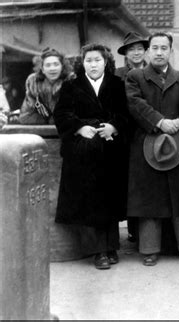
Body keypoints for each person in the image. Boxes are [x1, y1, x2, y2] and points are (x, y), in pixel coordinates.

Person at [53, 43, 129, 270]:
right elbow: (61, 114)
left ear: (105, 62)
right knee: (92, 202)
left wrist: (114, 127)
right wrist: (79, 128)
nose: (93, 64)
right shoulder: (71, 86)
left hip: (111, 150)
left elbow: (126, 113)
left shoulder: (117, 84)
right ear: (82, 63)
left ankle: (112, 246)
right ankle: (99, 252)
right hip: (84, 153)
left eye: (97, 60)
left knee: (111, 199)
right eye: (89, 60)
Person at [126, 32, 179, 266]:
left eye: (163, 48)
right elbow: (135, 103)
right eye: (154, 48)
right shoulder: (135, 76)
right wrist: (159, 121)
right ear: (147, 52)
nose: (158, 52)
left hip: (177, 143)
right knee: (150, 197)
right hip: (146, 143)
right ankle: (149, 249)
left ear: (170, 51)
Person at [115, 31, 149, 243]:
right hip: (124, 132)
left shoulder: (150, 71)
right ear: (125, 54)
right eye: (131, 49)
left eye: (139, 49)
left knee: (144, 182)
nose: (136, 53)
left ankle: (140, 230)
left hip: (145, 132)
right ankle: (129, 228)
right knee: (126, 182)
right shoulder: (118, 74)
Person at [20, 48, 74, 125]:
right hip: (40, 123)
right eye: (48, 65)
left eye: (56, 64)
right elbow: (25, 116)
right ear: (42, 69)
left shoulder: (72, 80)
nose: (52, 69)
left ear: (62, 67)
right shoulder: (33, 82)